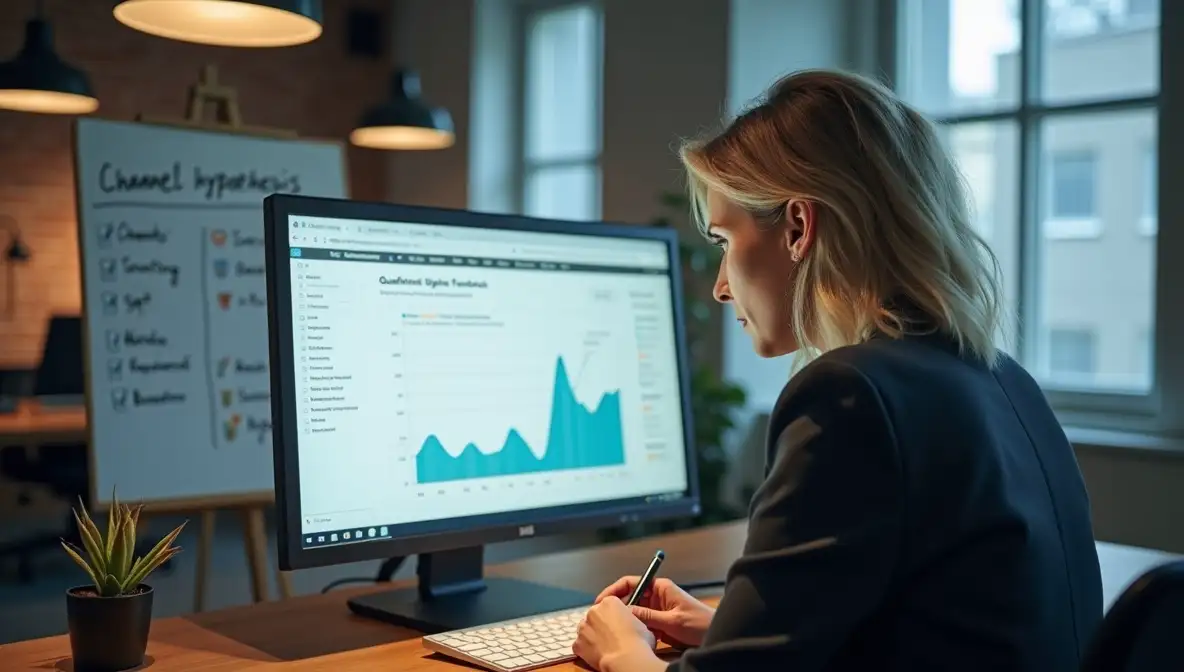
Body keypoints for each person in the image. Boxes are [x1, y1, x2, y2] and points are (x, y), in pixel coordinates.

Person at [572, 69, 1103, 672]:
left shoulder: (850, 396)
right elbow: (945, 624)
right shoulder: (1003, 379)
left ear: (798, 227)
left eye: (724, 241)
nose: (720, 287)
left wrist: (622, 652)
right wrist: (738, 629)